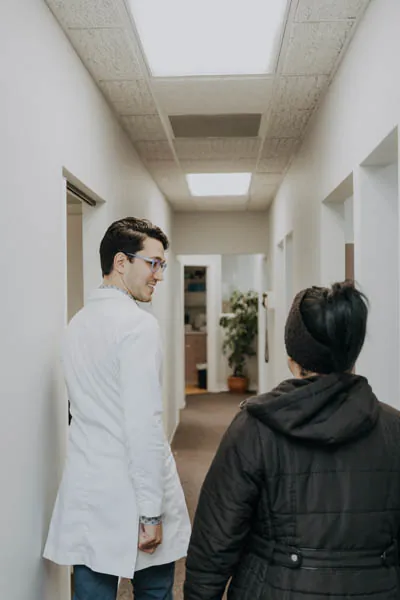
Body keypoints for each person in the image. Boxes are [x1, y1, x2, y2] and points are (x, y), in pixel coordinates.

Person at [184, 281, 400, 600]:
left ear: (292, 360)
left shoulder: (253, 429)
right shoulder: (394, 428)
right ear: (352, 356)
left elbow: (215, 540)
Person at [44, 217, 191, 600]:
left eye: (162, 264)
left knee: (91, 588)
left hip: (89, 485)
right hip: (131, 487)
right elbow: (143, 424)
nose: (158, 274)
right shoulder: (138, 326)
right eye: (153, 263)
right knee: (155, 589)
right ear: (121, 263)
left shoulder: (77, 324)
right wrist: (151, 513)